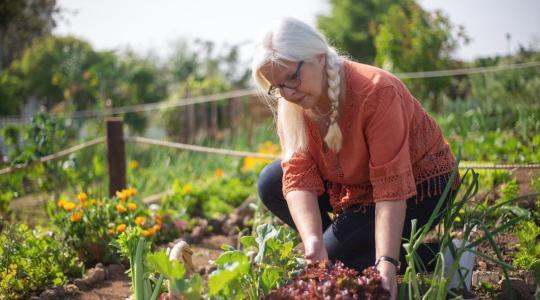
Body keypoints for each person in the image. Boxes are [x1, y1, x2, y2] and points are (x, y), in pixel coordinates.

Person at [251, 18, 459, 299]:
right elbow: (298, 173)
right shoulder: (294, 106)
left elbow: (391, 187)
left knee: (340, 256)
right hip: (359, 187)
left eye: (292, 77)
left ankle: (443, 256)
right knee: (271, 181)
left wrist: (386, 263)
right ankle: (346, 251)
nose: (288, 93)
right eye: (277, 86)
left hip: (420, 186)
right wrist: (313, 241)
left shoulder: (376, 91)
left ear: (319, 58)